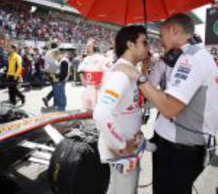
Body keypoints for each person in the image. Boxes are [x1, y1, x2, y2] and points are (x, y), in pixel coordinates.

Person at [123, 13, 218, 194]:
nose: (160, 42)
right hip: (173, 144)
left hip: (179, 150)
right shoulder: (189, 56)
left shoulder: (191, 59)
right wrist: (145, 69)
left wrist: (138, 76)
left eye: (161, 36)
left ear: (175, 30)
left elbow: (168, 108)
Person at [93, 25, 150, 194]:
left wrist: (144, 70)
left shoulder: (130, 70)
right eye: (144, 42)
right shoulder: (122, 74)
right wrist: (121, 145)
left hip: (128, 148)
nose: (149, 46)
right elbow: (101, 113)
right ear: (131, 45)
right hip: (123, 152)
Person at [78, 38, 110, 110]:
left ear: (95, 47)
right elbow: (80, 70)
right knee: (86, 108)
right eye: (86, 46)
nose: (87, 48)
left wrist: (102, 83)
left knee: (97, 109)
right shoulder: (86, 59)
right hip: (87, 88)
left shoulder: (102, 58)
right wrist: (82, 79)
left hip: (97, 89)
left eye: (89, 46)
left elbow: (108, 72)